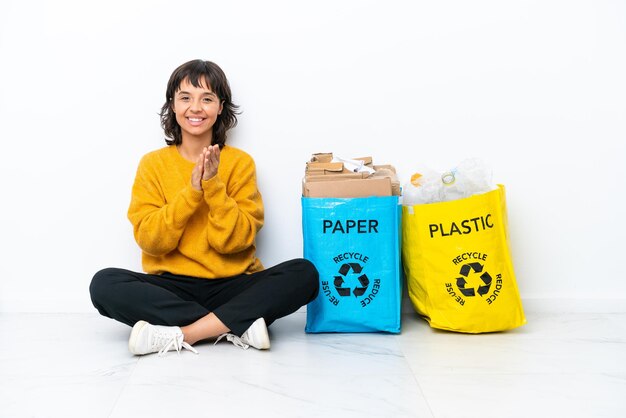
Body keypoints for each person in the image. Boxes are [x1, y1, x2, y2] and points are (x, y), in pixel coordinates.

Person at [89, 59, 319, 356]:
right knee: (104, 284)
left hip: (234, 283)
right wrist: (192, 191)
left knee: (305, 273)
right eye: (185, 98)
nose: (195, 108)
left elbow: (233, 243)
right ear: (172, 105)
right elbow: (151, 241)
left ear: (220, 107)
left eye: (207, 98)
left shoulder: (240, 163)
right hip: (172, 286)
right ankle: (236, 323)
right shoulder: (152, 164)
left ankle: (186, 333)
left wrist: (213, 186)